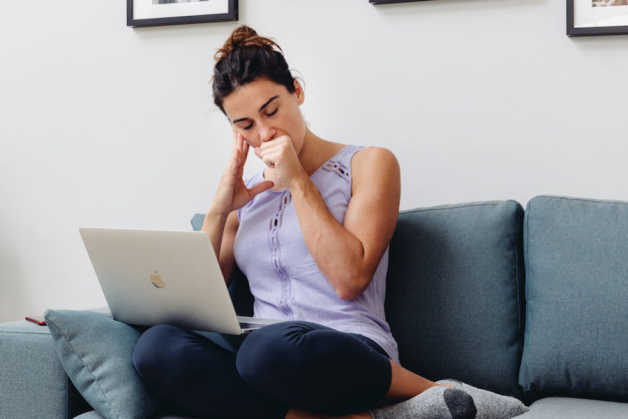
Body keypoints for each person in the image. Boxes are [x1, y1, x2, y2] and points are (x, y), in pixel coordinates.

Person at [131, 25, 474, 419]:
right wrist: (219, 208)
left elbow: (349, 279)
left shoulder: (369, 163)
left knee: (267, 351)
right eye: (245, 126)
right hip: (264, 365)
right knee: (156, 349)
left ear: (297, 91)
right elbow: (193, 302)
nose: (264, 133)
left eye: (271, 110)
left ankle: (429, 392)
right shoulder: (245, 193)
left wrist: (296, 181)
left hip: (341, 350)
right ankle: (366, 415)